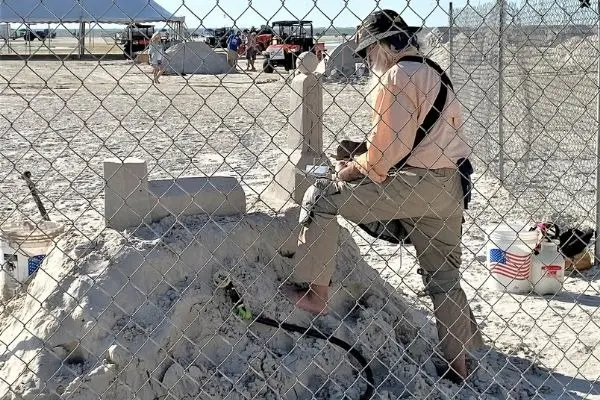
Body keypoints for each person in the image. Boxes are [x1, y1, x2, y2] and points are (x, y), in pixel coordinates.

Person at [284, 9, 484, 383]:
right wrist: (366, 153)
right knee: (444, 279)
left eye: (367, 53)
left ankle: (315, 292)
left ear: (381, 47)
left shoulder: (395, 76)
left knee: (322, 196)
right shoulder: (433, 70)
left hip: (415, 187)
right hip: (451, 187)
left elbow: (385, 153)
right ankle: (459, 365)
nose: (366, 61)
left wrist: (350, 168)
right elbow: (422, 136)